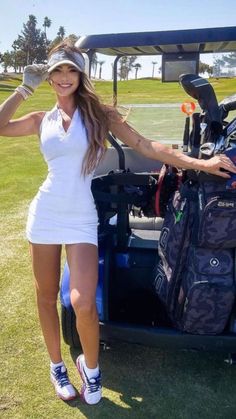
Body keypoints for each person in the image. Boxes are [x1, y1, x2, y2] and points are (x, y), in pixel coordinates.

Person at [0, 39, 235, 406]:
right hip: (44, 215)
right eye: (57, 71)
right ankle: (56, 366)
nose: (64, 77)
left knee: (82, 303)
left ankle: (91, 371)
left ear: (81, 74)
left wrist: (199, 163)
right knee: (45, 298)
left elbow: (145, 145)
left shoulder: (99, 117)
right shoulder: (39, 120)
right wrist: (24, 89)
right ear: (49, 76)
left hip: (80, 217)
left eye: (71, 70)